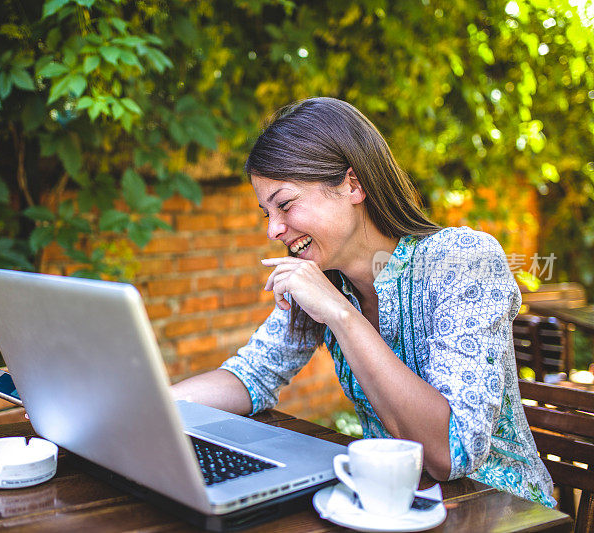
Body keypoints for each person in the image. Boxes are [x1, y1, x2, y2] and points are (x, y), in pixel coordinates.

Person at [170, 97, 555, 507]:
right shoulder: (325, 281)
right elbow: (252, 376)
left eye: (284, 204)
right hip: (390, 505)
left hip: (502, 512)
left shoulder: (461, 259)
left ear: (353, 185)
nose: (274, 230)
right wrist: (149, 411)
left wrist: (340, 314)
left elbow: (450, 451)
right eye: (266, 213)